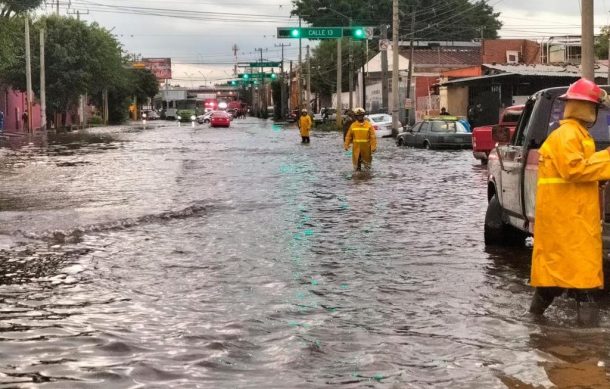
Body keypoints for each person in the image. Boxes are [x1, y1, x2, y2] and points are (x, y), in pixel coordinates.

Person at [529, 78, 610, 326]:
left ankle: (534, 325)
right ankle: (590, 338)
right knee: (582, 281)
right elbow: (574, 170)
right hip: (568, 223)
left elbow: (580, 170)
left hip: (569, 219)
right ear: (589, 109)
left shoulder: (575, 135)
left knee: (553, 281)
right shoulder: (567, 135)